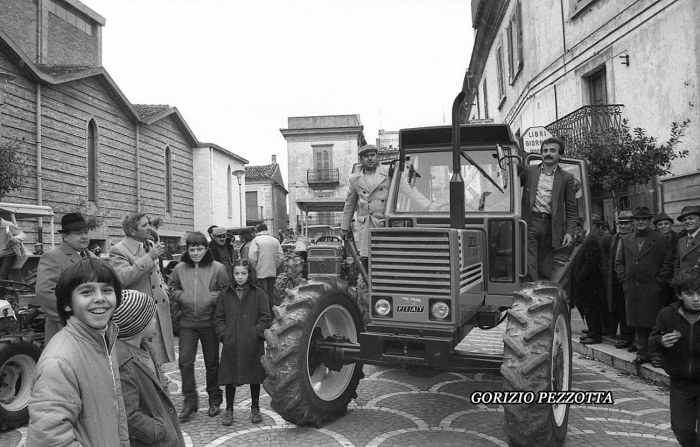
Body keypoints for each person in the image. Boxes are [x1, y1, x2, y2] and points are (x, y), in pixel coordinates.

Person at [27, 258, 129, 446]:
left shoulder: (103, 340)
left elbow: (116, 414)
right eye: (87, 291)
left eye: (107, 290)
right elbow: (49, 440)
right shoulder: (59, 362)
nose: (100, 298)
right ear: (67, 304)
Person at [168, 231, 229, 421]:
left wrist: (212, 298)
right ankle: (190, 401)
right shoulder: (179, 268)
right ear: (187, 249)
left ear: (206, 249)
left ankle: (214, 399)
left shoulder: (217, 268)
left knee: (212, 363)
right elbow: (172, 289)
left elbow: (226, 292)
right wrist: (183, 297)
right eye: (192, 249)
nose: (195, 253)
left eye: (199, 249)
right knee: (185, 361)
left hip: (210, 323)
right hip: (187, 323)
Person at [113, 289, 186, 447]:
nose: (154, 320)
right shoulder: (124, 363)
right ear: (138, 324)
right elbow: (128, 415)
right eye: (151, 317)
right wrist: (158, 430)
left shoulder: (146, 347)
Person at [341, 144, 432, 268]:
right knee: (367, 261)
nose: (370, 158)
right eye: (366, 156)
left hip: (386, 223)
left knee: (389, 258)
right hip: (367, 224)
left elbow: (409, 190)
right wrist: (344, 228)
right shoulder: (354, 179)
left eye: (372, 155)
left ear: (377, 156)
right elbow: (350, 204)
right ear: (361, 159)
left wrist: (427, 206)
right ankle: (369, 286)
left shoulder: (390, 171)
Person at [110, 213, 175, 365]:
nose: (149, 228)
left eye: (149, 224)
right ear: (132, 231)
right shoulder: (118, 250)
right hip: (139, 315)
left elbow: (156, 273)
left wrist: (163, 288)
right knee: (145, 358)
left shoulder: (150, 245)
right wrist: (149, 258)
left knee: (159, 358)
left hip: (158, 310)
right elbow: (122, 278)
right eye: (144, 225)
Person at [214, 259, 271, 426]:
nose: (240, 277)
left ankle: (255, 407)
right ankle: (229, 409)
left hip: (252, 342)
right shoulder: (225, 293)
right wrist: (225, 335)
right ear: (232, 274)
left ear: (249, 274)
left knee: (254, 376)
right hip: (232, 341)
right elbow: (218, 318)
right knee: (230, 376)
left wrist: (256, 333)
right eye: (237, 273)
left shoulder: (258, 293)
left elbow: (265, 317)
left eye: (243, 273)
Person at [615, 206, 674, 365]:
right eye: (637, 220)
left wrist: (659, 282)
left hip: (653, 288)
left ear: (649, 221)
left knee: (654, 322)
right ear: (633, 222)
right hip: (633, 288)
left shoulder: (660, 239)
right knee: (637, 322)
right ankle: (642, 353)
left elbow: (668, 263)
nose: (640, 222)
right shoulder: (626, 239)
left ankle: (655, 354)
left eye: (644, 219)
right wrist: (624, 280)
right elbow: (619, 262)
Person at [649, 268, 700, 446]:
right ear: (679, 295)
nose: (696, 299)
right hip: (680, 384)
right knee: (682, 430)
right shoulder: (667, 315)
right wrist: (661, 342)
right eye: (689, 294)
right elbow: (652, 342)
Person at [520, 137, 578, 281]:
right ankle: (530, 295)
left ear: (560, 155)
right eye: (545, 150)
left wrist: (569, 232)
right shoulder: (529, 171)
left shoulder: (566, 177)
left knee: (546, 266)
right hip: (530, 221)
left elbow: (571, 207)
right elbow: (510, 180)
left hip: (551, 225)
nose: (548, 154)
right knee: (529, 263)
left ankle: (543, 296)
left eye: (553, 150)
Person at [35, 213, 96, 344]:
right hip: (64, 329)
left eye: (86, 232)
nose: (84, 236)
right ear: (65, 236)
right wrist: (73, 317)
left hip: (92, 327)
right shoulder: (52, 257)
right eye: (78, 233)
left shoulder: (92, 257)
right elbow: (45, 292)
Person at [572, 218, 606, 344]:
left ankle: (595, 335)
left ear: (580, 228)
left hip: (590, 283)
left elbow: (591, 262)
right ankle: (592, 331)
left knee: (591, 309)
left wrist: (580, 277)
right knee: (587, 309)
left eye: (574, 228)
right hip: (585, 283)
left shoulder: (589, 241)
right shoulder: (581, 241)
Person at [609, 211, 636, 350]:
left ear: (632, 224)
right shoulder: (614, 238)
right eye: (621, 223)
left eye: (626, 223)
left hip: (629, 278)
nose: (623, 226)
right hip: (615, 279)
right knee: (619, 308)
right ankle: (625, 336)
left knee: (630, 309)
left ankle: (632, 338)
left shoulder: (634, 238)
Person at [248, 223, 284, 311]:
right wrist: (274, 266)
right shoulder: (275, 240)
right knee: (271, 294)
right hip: (271, 272)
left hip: (259, 273)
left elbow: (252, 258)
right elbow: (281, 257)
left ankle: (264, 315)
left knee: (262, 294)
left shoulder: (256, 240)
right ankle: (272, 315)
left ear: (257, 231)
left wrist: (254, 270)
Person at [675, 206, 700, 276]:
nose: (687, 222)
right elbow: (677, 265)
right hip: (683, 284)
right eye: (684, 220)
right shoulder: (681, 241)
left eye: (691, 218)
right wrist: (677, 279)